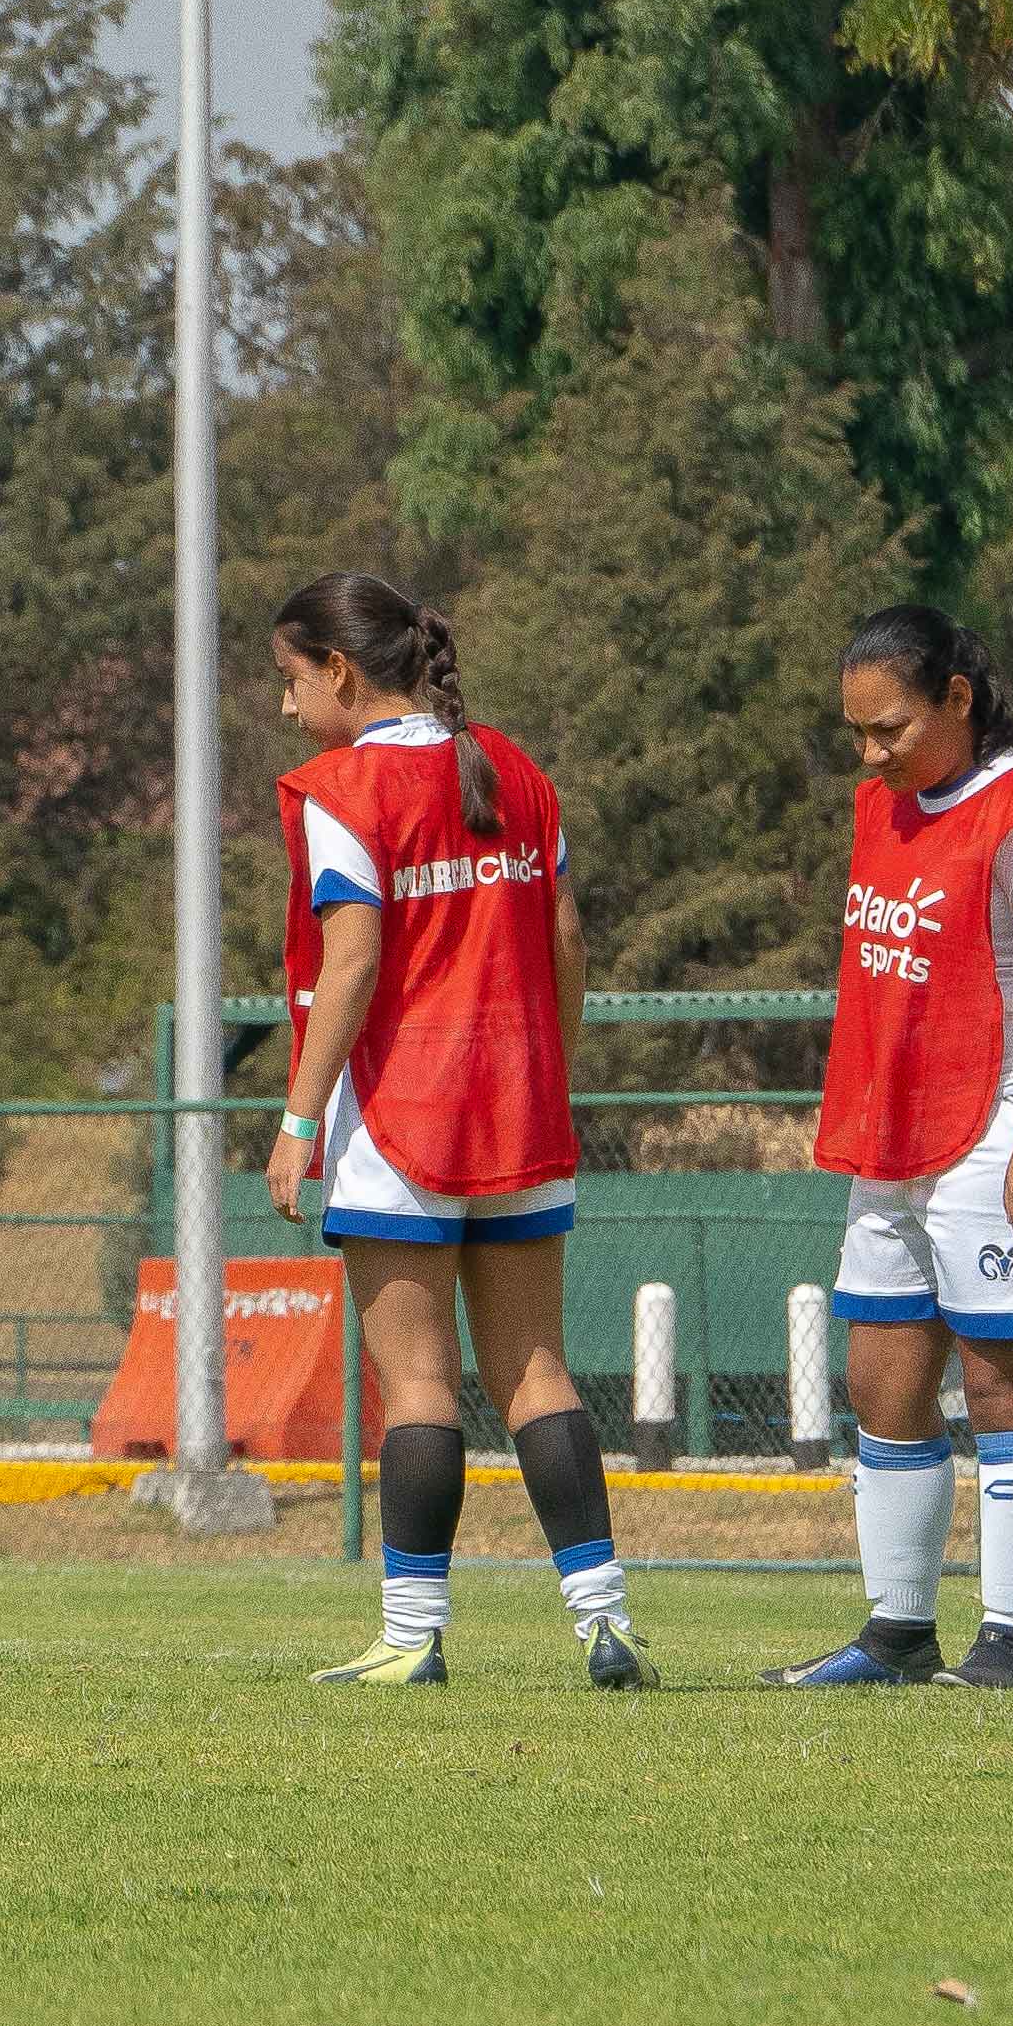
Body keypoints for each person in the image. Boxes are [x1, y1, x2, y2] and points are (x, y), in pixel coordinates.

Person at [261, 572, 654, 1691]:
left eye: (292, 682)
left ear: (340, 670)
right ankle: (603, 1619)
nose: (290, 711)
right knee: (536, 1371)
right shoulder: (516, 772)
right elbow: (566, 936)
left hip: (403, 1119)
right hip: (520, 1105)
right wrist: (548, 1068)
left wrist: (298, 1119)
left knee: (420, 1385)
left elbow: (352, 961)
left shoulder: (345, 792)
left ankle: (410, 1635)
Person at [761, 605, 1013, 1692]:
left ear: (958, 699)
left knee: (1004, 1389)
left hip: (1001, 1124)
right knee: (881, 1383)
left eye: (891, 729)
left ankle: (1005, 1643)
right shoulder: (882, 810)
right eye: (858, 732)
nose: (871, 754)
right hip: (893, 1135)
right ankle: (896, 1633)